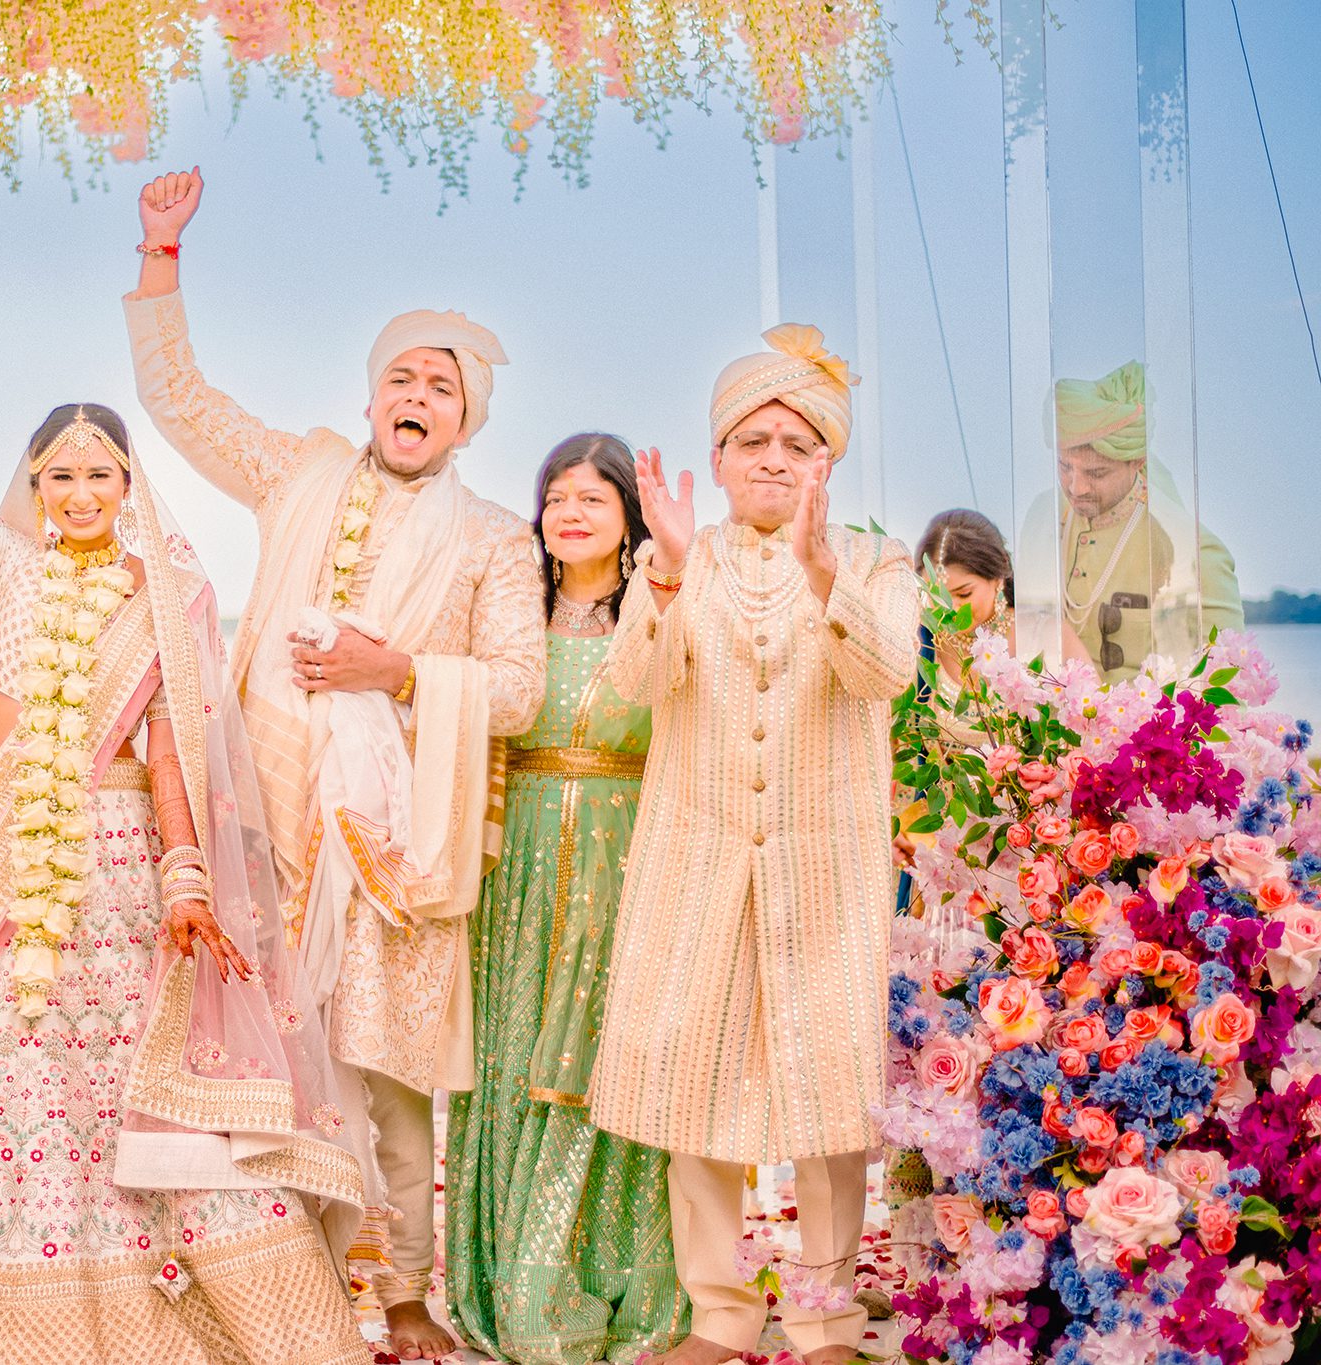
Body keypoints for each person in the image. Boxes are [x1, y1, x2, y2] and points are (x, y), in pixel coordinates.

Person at [0, 237, 371, 1365]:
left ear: (128, 486)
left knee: (117, 1079)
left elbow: (172, 756)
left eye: (102, 472)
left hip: (119, 869)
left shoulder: (165, 596)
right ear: (36, 490)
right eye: (60, 473)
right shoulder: (3, 569)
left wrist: (185, 880)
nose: (82, 489)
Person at [124, 169, 547, 1360]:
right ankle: (293, 1293)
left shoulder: (491, 542)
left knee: (393, 1080)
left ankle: (404, 1291)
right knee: (272, 1072)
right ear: (368, 398)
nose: (416, 395)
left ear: (466, 423)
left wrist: (395, 671)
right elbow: (179, 401)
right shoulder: (300, 470)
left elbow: (511, 689)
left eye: (441, 387)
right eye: (400, 377)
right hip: (267, 821)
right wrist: (161, 258)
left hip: (394, 852)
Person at [587, 325, 920, 1365]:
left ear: (828, 460)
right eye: (751, 440)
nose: (773, 458)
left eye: (797, 442)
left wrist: (826, 576)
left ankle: (823, 1320)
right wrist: (673, 576)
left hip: (824, 871)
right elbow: (632, 688)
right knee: (694, 1093)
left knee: (826, 1104)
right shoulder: (676, 560)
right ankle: (719, 1317)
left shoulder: (877, 560)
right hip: (697, 861)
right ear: (718, 457)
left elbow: (882, 678)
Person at [444, 436, 688, 1365]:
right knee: (514, 1058)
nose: (570, 512)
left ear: (628, 515)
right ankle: (514, 1277)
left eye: (593, 496)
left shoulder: (656, 613)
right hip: (517, 864)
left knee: (603, 1063)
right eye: (555, 496)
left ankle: (619, 1280)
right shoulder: (510, 618)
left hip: (624, 859)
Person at [1021, 360, 1241, 680]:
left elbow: (1224, 699)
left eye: (1097, 473)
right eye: (1065, 467)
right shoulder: (1041, 519)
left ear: (1137, 461)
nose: (1076, 487)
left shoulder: (1196, 555)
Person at [914, 508, 1092, 683]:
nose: (949, 609)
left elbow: (1098, 709)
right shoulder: (920, 645)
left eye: (963, 594)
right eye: (936, 596)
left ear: (997, 577)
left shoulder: (1049, 636)